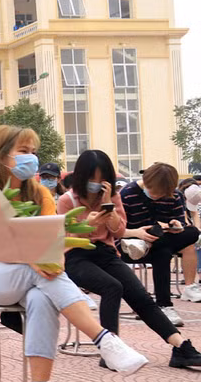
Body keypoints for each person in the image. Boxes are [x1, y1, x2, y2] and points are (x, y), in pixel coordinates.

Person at [0, 125, 147, 382]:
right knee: (40, 273)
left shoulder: (39, 193)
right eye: (24, 152)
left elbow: (49, 242)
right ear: (0, 155)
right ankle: (104, 338)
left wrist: (41, 255)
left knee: (42, 297)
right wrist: (29, 256)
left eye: (33, 152)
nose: (32, 159)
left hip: (36, 275)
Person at [59, 151, 201, 368]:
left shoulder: (112, 197)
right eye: (92, 179)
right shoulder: (67, 200)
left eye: (102, 179)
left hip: (105, 253)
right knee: (112, 287)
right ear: (81, 176)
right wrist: (87, 224)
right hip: (76, 255)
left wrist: (108, 206)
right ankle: (110, 351)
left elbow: (118, 231)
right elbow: (65, 240)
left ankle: (180, 347)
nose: (96, 184)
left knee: (141, 297)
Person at [119, 162, 201, 315]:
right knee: (163, 252)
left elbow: (179, 220)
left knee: (192, 233)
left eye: (161, 194)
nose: (156, 196)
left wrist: (176, 224)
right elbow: (115, 229)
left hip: (161, 239)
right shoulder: (127, 193)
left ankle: (164, 307)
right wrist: (136, 233)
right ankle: (165, 307)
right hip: (132, 242)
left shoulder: (175, 195)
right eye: (153, 192)